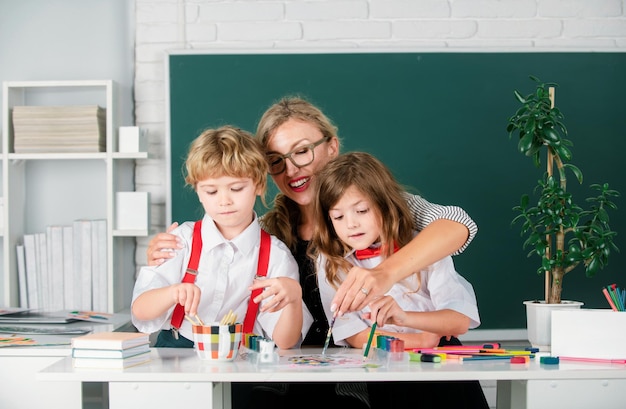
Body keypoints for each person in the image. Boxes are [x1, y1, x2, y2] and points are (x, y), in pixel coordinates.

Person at [146, 97, 478, 407]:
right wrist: (168, 256)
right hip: (298, 378)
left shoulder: (374, 209)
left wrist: (384, 273)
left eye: (302, 151)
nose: (291, 170)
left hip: (382, 372)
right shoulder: (264, 233)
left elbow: (459, 224)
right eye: (276, 161)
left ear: (331, 146)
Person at [311, 151, 488, 408]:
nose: (351, 224)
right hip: (386, 371)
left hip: (442, 367)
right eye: (338, 217)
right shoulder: (331, 261)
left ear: (383, 204)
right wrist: (419, 340)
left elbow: (459, 320)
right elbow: (355, 335)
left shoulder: (423, 246)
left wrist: (407, 319)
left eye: (361, 210)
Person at [132, 125, 312, 350]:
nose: (224, 201)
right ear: (197, 191)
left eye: (236, 188)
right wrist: (172, 293)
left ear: (258, 185)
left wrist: (294, 298)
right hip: (176, 350)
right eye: (211, 191)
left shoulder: (276, 256)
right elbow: (140, 311)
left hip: (240, 358)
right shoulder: (181, 241)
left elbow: (285, 342)